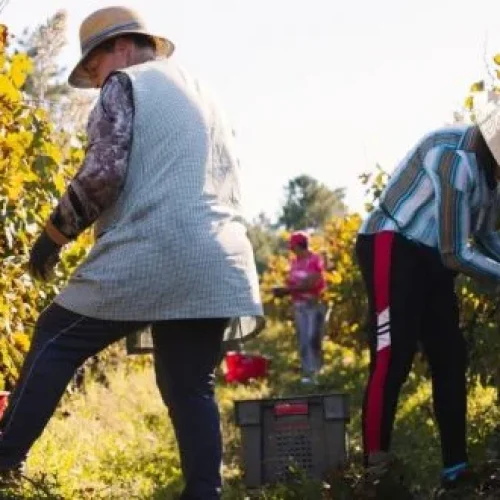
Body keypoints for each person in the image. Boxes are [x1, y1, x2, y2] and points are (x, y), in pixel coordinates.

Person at [0, 7, 263, 499]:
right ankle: (205, 493)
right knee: (189, 385)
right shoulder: (202, 92)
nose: (99, 83)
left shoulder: (126, 83)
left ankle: (3, 461)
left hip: (156, 250)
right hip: (219, 259)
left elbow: (102, 174)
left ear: (118, 49)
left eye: (94, 70)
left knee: (56, 336)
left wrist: (52, 237)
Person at [355, 91, 500, 493]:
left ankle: (456, 469)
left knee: (451, 356)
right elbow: (457, 253)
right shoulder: (454, 158)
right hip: (392, 244)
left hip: (434, 255)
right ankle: (375, 469)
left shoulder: (492, 177)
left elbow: (486, 235)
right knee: (392, 354)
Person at [273, 231, 327, 384]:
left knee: (313, 338)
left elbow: (313, 282)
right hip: (299, 306)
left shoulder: (315, 260)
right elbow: (294, 283)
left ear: (301, 246)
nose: (292, 250)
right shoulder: (295, 262)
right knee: (303, 340)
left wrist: (288, 290)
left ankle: (318, 372)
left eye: (294, 247)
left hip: (314, 305)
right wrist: (284, 289)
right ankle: (307, 373)